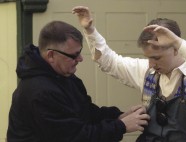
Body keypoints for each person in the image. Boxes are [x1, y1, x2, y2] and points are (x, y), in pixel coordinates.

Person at [72, 6, 186, 142]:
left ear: (176, 49)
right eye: (148, 57)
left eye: (156, 58)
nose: (151, 64)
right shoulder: (147, 71)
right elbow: (109, 62)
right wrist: (90, 31)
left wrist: (179, 42)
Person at [7, 21, 150, 142]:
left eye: (79, 52)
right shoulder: (39, 93)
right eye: (74, 55)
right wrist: (121, 126)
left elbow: (85, 112)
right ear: (51, 55)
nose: (80, 59)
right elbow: (75, 137)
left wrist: (118, 116)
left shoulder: (64, 76)